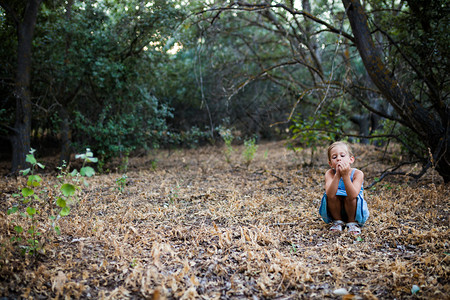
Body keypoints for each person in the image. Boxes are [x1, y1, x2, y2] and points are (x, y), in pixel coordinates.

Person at [319, 141, 369, 234]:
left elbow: (353, 195)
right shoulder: (330, 173)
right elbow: (330, 194)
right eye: (334, 157)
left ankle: (352, 223)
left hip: (354, 210)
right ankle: (338, 222)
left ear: (351, 159)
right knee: (332, 197)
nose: (338, 159)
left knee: (350, 197)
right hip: (337, 210)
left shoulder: (357, 174)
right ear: (330, 163)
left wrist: (345, 176)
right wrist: (337, 175)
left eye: (342, 155)